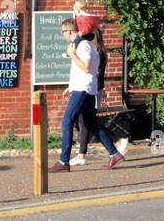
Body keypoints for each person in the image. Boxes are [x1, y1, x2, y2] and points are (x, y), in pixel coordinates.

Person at [51, 18, 123, 172]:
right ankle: (114, 154)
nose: (62, 34)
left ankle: (64, 162)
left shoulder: (83, 45)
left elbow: (85, 68)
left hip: (83, 89)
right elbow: (81, 71)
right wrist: (70, 86)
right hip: (84, 88)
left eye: (62, 32)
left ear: (69, 31)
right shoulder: (82, 45)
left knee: (67, 121)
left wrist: (72, 55)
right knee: (91, 124)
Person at [68, 21, 128, 165]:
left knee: (86, 123)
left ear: (94, 36)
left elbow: (93, 73)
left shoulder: (97, 52)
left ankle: (116, 141)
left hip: (92, 90)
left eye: (88, 36)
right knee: (88, 123)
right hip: (90, 88)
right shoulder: (94, 51)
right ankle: (113, 148)